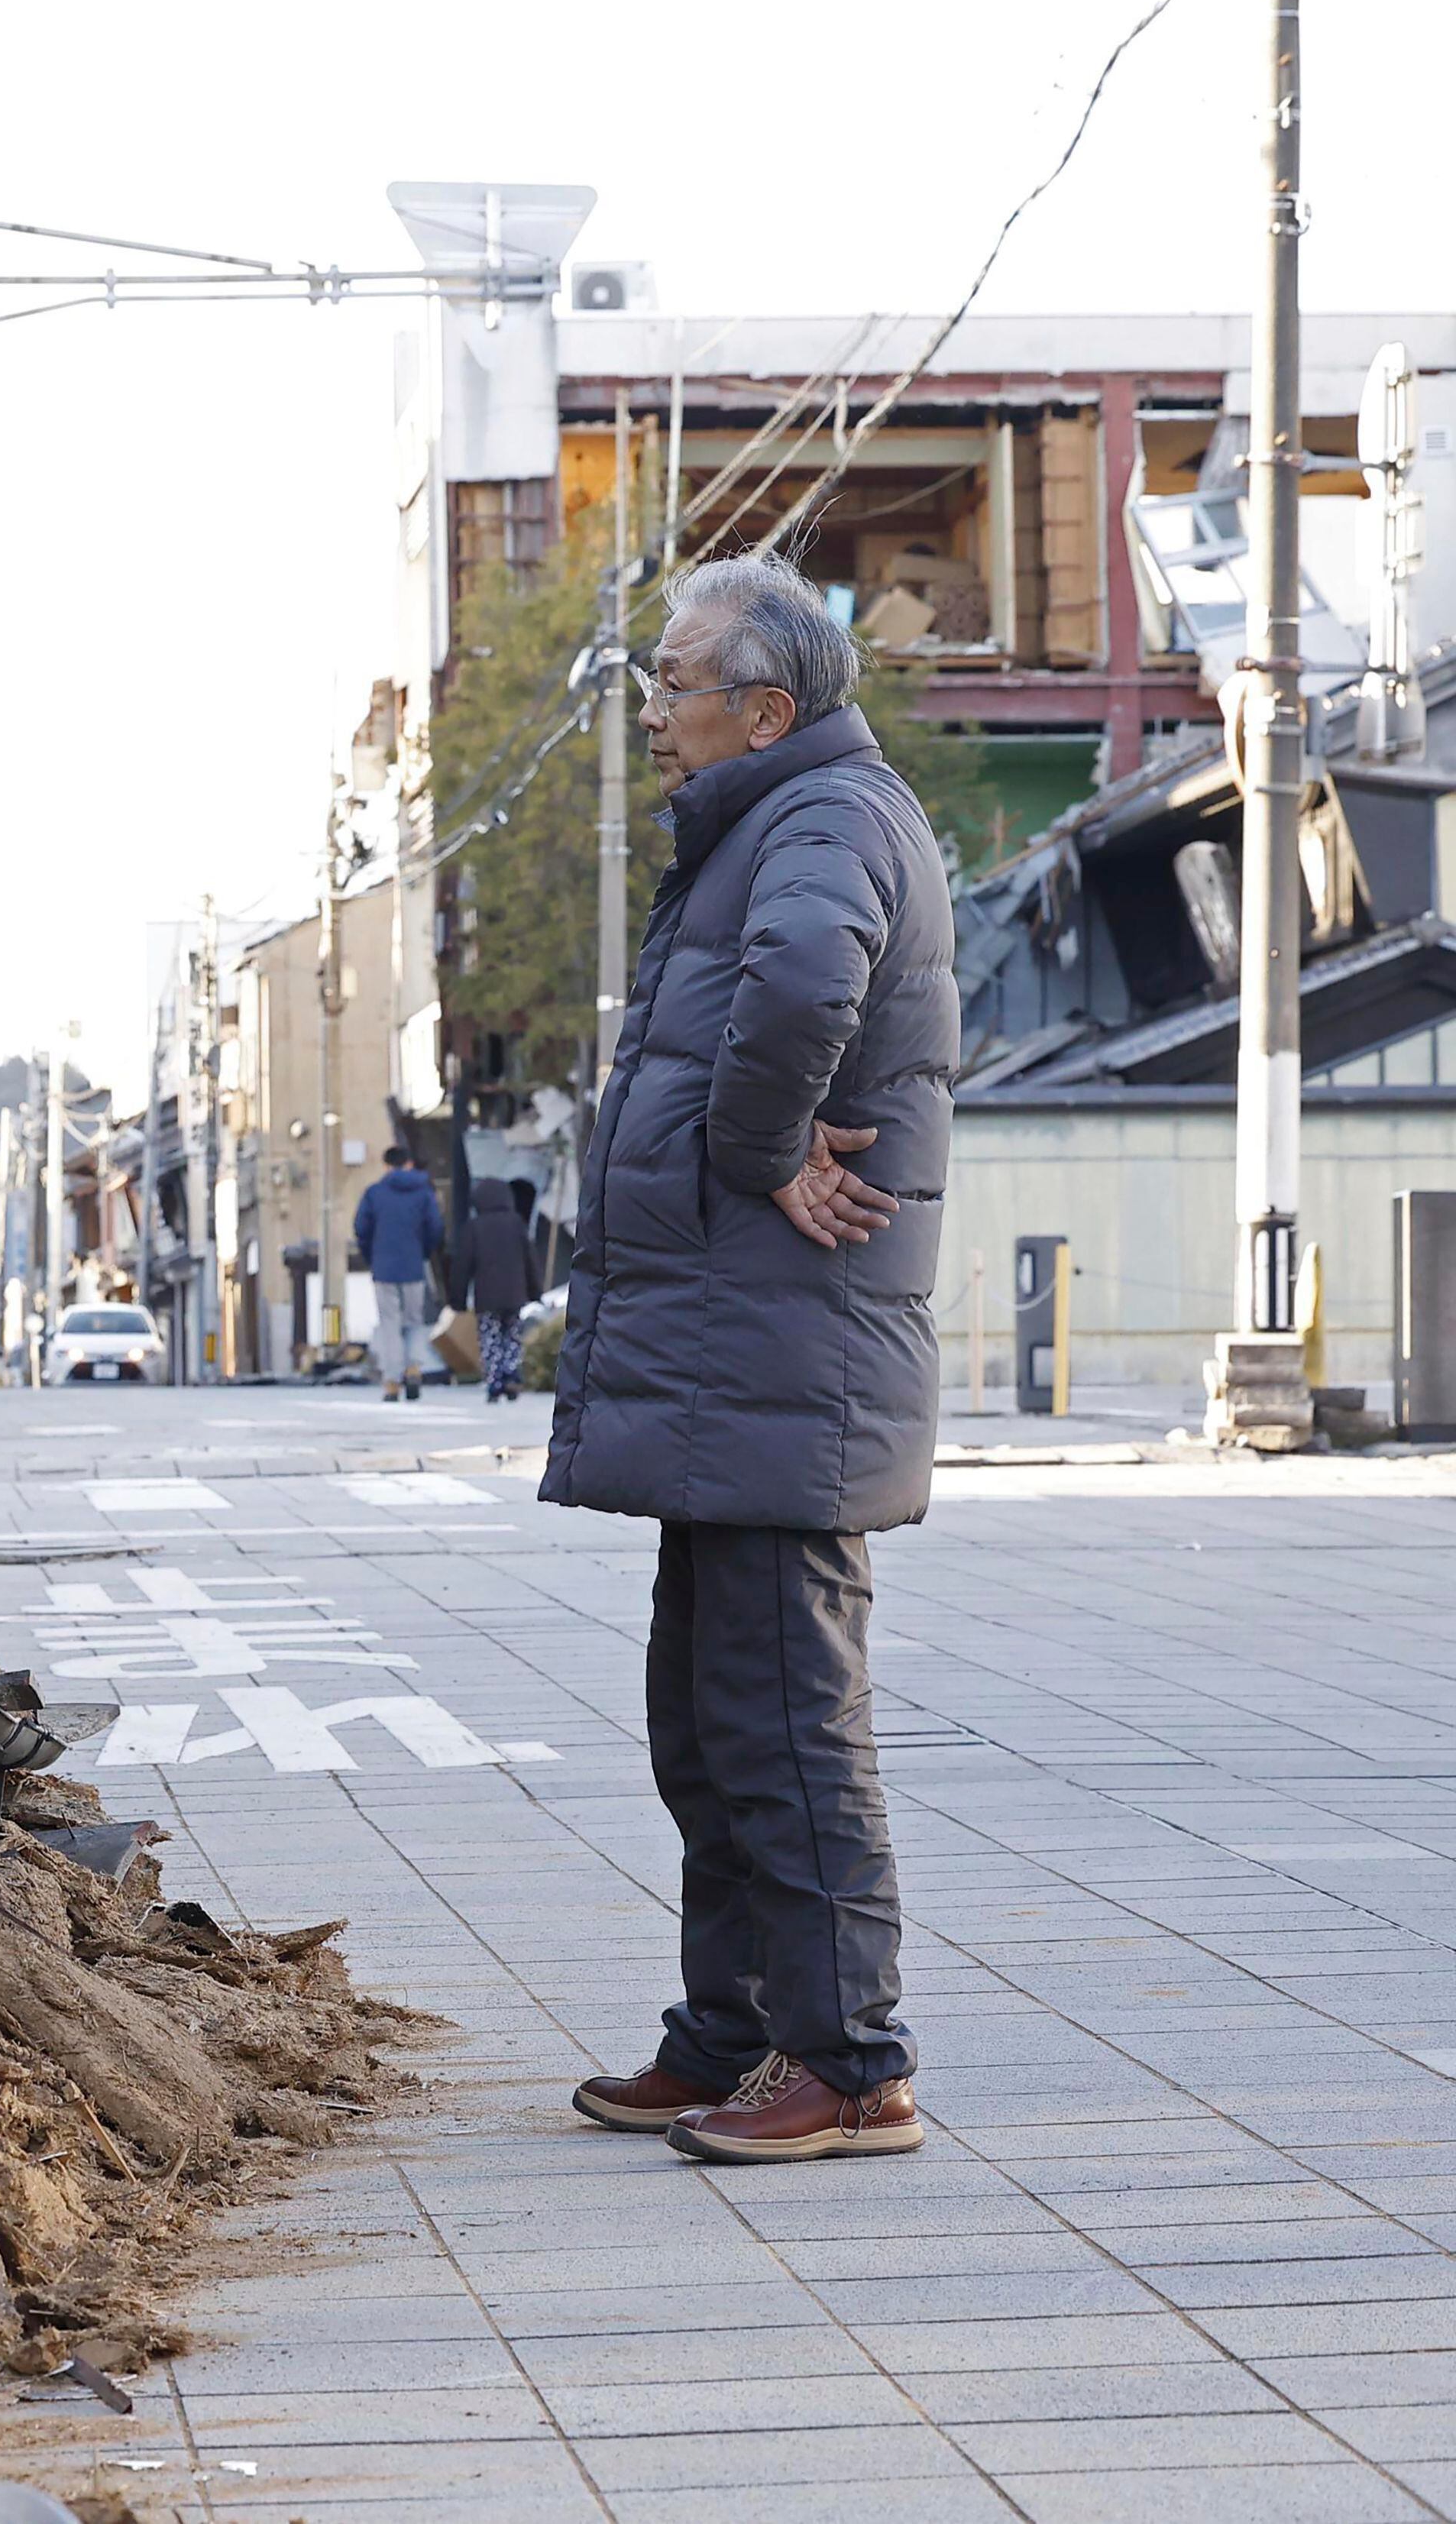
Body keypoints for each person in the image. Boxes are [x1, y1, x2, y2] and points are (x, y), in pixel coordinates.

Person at [545, 550, 953, 2166]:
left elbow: (798, 989)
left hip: (786, 1344)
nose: (652, 709)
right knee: (706, 1717)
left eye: (673, 684)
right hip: (738, 1347)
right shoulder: (768, 822)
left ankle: (848, 2063)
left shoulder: (824, 822)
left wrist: (765, 1146)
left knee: (783, 1719)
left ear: (763, 708)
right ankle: (731, 2031)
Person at [349, 1144, 445, 1403]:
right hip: (414, 1266)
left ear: (387, 1166)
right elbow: (435, 1228)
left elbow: (361, 1228)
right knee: (414, 1321)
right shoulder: (423, 1193)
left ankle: (391, 1382)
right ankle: (413, 1368)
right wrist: (422, 1252)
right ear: (409, 1164)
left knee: (389, 1324)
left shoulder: (374, 1193)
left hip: (384, 1269)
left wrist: (373, 1257)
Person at [467, 1177, 535, 1403]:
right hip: (516, 1293)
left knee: (490, 1336)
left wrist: (456, 1297)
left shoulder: (475, 1226)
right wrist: (536, 1291)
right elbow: (529, 1259)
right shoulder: (516, 1223)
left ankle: (494, 1380)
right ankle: (512, 1374)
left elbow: (463, 1264)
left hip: (486, 1295)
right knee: (513, 1335)